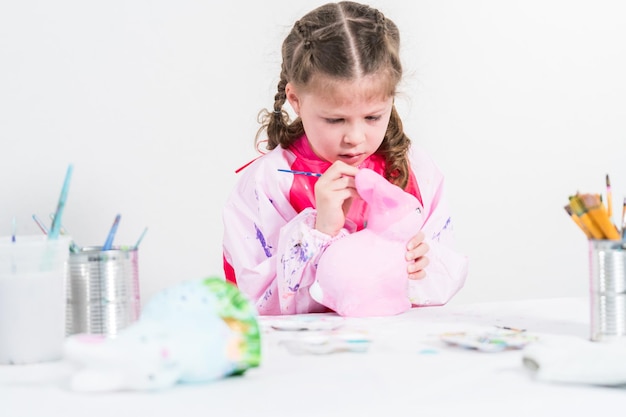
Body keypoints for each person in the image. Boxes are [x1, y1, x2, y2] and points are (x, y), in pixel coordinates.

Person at [222, 1, 468, 315]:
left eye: (373, 117)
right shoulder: (268, 184)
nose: (355, 137)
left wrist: (420, 265)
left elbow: (445, 274)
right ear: (296, 100)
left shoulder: (412, 169)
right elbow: (253, 303)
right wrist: (319, 232)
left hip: (396, 350)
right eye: (335, 120)